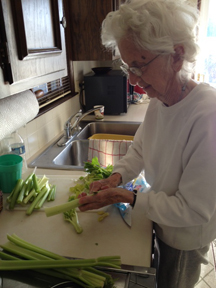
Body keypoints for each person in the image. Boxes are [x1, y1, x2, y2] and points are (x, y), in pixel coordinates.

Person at [78, 0, 216, 287]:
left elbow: (193, 210)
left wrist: (128, 197)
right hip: (160, 219)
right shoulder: (159, 98)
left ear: (176, 55)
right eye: (128, 67)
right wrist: (116, 177)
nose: (132, 80)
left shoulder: (208, 115)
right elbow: (140, 148)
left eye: (139, 66)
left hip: (185, 237)